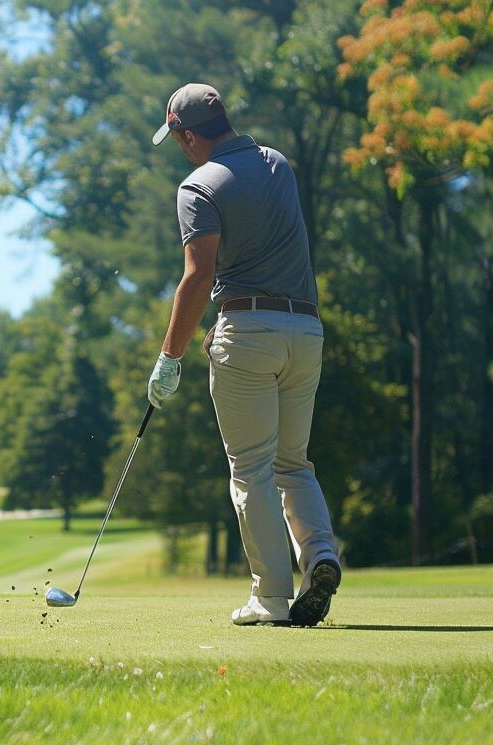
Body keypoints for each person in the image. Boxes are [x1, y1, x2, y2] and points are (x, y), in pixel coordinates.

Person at [145, 83, 341, 626]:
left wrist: (170, 356)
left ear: (187, 136)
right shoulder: (278, 163)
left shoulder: (197, 186)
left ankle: (270, 599)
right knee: (293, 463)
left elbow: (198, 276)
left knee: (250, 469)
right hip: (305, 331)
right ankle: (320, 555)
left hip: (247, 332)